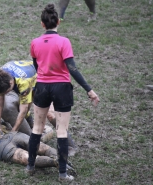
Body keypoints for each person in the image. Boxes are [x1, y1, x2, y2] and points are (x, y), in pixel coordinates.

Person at [26, 4, 100, 182]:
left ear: (42, 24)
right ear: (58, 22)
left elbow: (36, 66)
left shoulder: (35, 43)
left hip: (42, 87)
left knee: (37, 128)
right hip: (62, 88)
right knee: (61, 130)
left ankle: (30, 167)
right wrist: (89, 90)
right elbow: (72, 69)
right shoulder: (64, 42)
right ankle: (62, 174)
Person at [0, 125, 75, 172]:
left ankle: (55, 162)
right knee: (44, 148)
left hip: (1, 147)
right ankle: (60, 158)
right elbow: (8, 125)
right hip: (13, 135)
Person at [0, 60, 36, 136]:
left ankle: (34, 125)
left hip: (39, 77)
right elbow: (0, 99)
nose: (5, 94)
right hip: (22, 74)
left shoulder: (24, 83)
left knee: (30, 103)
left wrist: (14, 131)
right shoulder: (0, 76)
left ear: (11, 83)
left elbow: (24, 109)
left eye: (6, 92)